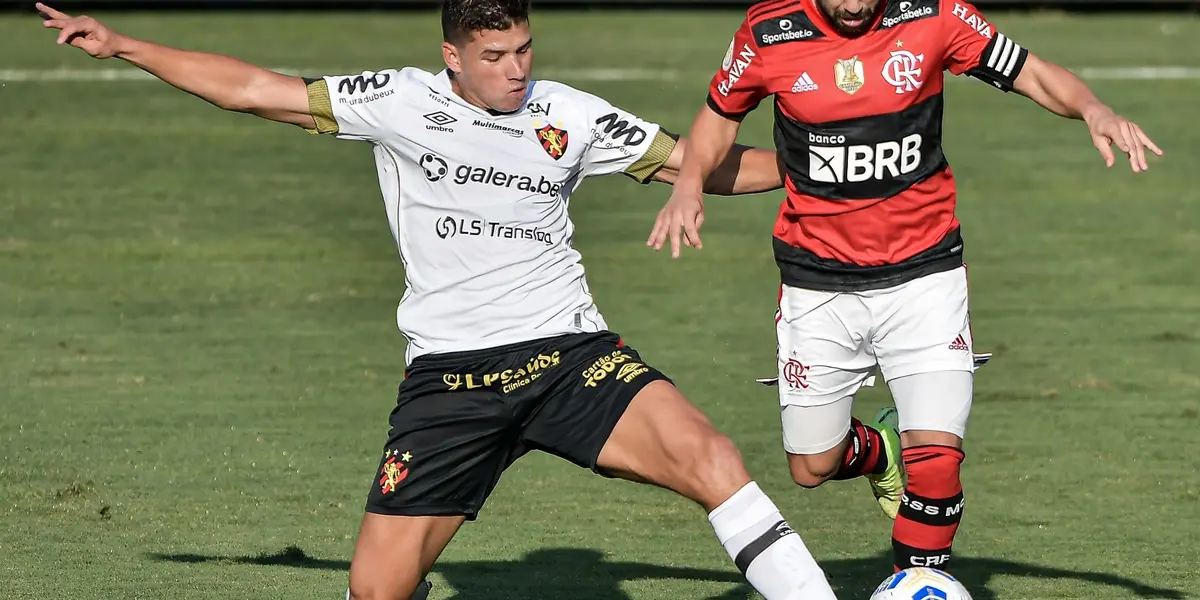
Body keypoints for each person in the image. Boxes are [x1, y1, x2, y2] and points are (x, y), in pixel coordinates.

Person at [36, 1, 847, 599]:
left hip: (569, 357)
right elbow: (252, 89)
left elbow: (707, 166)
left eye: (525, 49)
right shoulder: (398, 100)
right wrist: (122, 44)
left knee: (714, 460)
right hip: (450, 383)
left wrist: (835, 144)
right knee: (377, 589)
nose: (518, 69)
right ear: (453, 56)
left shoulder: (569, 113)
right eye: (496, 55)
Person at [649, 0, 1161, 575]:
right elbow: (719, 115)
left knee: (938, 462)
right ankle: (882, 451)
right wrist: (689, 184)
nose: (852, 6)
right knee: (812, 466)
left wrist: (1094, 110)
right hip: (818, 285)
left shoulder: (934, 15)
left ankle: (919, 582)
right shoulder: (770, 30)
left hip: (926, 274)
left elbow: (1030, 71)